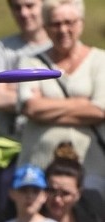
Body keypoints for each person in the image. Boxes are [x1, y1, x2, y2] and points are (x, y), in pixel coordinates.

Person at [17, 0, 105, 198]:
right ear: (46, 28)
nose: (63, 29)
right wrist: (82, 104)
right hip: (38, 169)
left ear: (81, 23)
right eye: (55, 24)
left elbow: (100, 110)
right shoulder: (30, 62)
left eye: (69, 22)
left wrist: (47, 109)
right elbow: (31, 108)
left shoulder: (101, 61)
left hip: (91, 167)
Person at [0, 0, 51, 222]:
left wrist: (17, 91)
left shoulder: (58, 47)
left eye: (30, 6)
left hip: (49, 149)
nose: (23, 13)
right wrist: (43, 97)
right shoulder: (1, 49)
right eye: (16, 7)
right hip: (12, 152)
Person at [43, 142, 105, 222]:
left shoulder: (94, 214)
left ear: (78, 193)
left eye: (65, 193)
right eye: (51, 190)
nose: (57, 199)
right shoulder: (28, 219)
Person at [0, 163, 65, 222]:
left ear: (44, 196)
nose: (29, 196)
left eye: (35, 191)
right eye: (23, 190)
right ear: (12, 193)